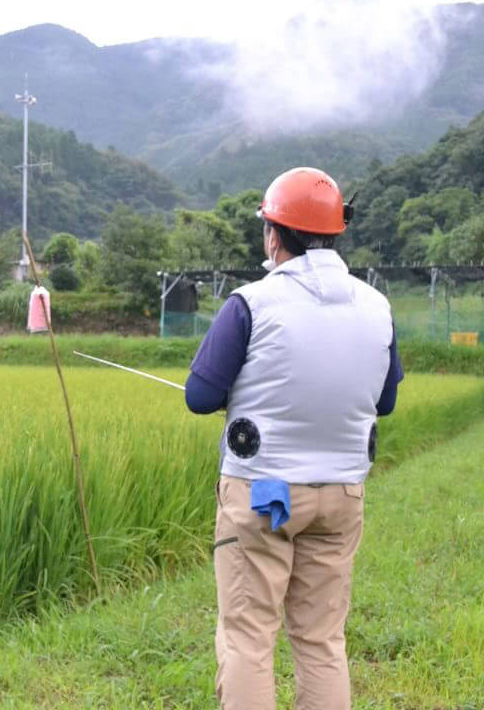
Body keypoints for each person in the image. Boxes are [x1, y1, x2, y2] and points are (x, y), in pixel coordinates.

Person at [185, 167, 403, 710]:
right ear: (334, 234)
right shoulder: (377, 307)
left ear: (274, 235)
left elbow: (200, 395)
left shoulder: (251, 303)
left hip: (262, 494)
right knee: (322, 639)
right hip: (341, 497)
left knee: (248, 637)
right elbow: (386, 401)